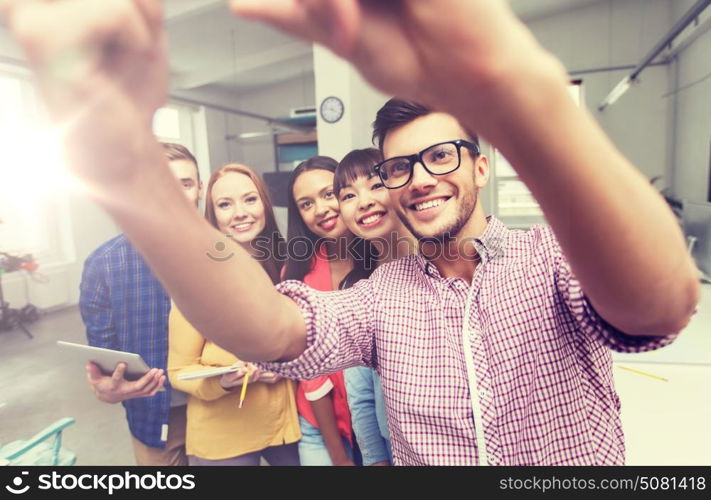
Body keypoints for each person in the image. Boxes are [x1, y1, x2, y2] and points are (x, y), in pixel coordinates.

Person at [4, 0, 699, 465]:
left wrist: (518, 90)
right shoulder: (381, 297)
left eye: (440, 156)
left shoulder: (548, 258)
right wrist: (127, 166)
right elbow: (272, 332)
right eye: (399, 166)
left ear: (480, 167)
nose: (417, 178)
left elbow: (656, 306)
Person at [168, 163, 300, 466]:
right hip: (223, 436)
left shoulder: (288, 264)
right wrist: (223, 382)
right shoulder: (196, 279)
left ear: (265, 204)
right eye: (225, 205)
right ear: (214, 216)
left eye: (249, 199)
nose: (240, 212)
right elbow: (179, 371)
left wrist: (287, 367)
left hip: (286, 428)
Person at [79, 142, 202, 466]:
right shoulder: (104, 264)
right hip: (156, 416)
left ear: (199, 189)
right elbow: (107, 362)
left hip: (224, 408)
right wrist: (107, 387)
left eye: (185, 184)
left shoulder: (225, 253)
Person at [335, 147, 416, 466]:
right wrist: (375, 462)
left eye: (376, 184)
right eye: (348, 195)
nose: (364, 201)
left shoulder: (447, 266)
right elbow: (361, 398)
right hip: (394, 452)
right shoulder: (357, 290)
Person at [283, 157, 358, 466]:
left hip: (383, 425)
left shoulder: (385, 257)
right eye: (306, 203)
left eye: (328, 194)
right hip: (321, 427)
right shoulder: (297, 272)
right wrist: (339, 457)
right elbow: (312, 375)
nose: (321, 209)